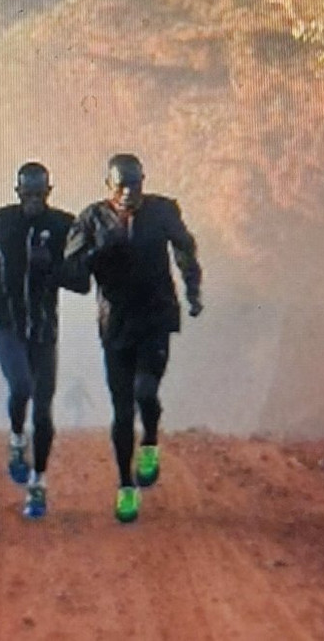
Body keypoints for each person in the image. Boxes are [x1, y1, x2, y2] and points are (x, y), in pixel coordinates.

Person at [62, 153, 203, 524]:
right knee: (122, 411)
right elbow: (73, 277)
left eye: (134, 184)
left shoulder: (162, 211)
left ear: (144, 181)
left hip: (156, 315)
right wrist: (95, 254)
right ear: (108, 186)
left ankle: (151, 442)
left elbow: (185, 248)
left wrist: (193, 290)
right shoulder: (91, 218)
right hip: (115, 324)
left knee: (146, 391)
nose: (128, 193)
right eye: (120, 185)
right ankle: (126, 486)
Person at [0, 161, 74, 520]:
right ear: (17, 193)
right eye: (26, 194)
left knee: (43, 408)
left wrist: (53, 268)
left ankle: (38, 485)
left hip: (44, 327)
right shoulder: (0, 220)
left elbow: (81, 279)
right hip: (6, 321)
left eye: (39, 194)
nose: (32, 201)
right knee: (22, 386)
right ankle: (16, 440)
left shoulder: (62, 225)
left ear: (49, 192)